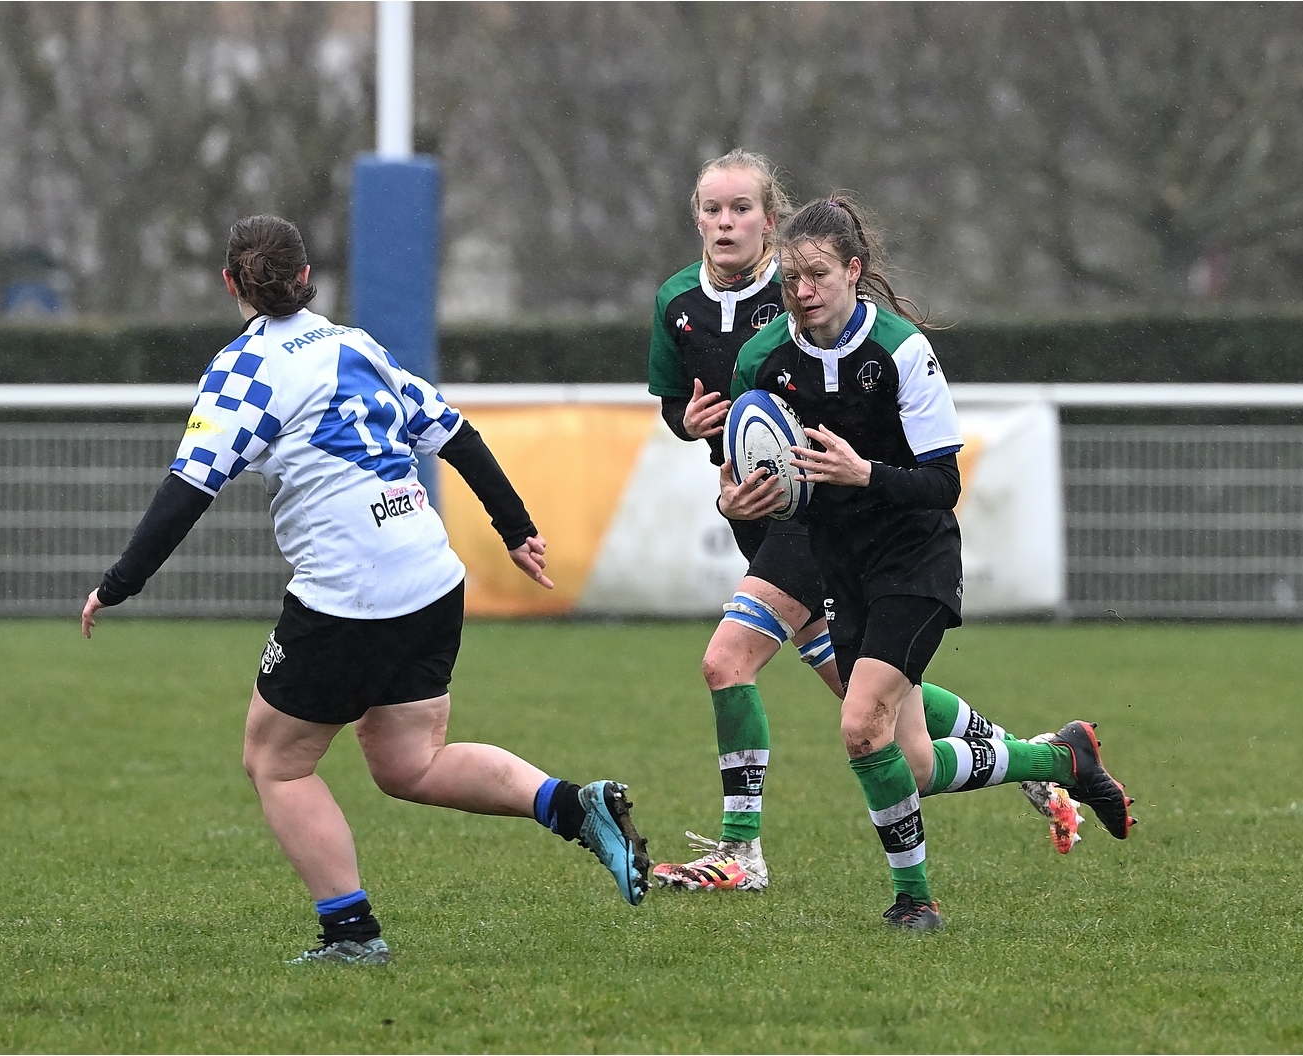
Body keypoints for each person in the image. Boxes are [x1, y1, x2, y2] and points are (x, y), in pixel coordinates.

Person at [81, 215, 651, 965]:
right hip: (430, 575)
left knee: (276, 763)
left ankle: (351, 935)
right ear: (306, 278)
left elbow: (190, 487)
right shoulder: (356, 345)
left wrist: (120, 583)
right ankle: (575, 807)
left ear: (229, 284)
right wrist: (515, 529)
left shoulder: (245, 368)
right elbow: (456, 434)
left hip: (351, 594)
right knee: (409, 762)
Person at [646, 153, 1084, 893]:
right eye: (712, 209)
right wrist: (697, 442)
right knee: (889, 723)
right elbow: (691, 418)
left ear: (771, 220)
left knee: (728, 661)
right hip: (769, 517)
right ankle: (1038, 758)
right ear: (695, 218)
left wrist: (858, 476)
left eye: (741, 208)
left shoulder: (799, 296)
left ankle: (741, 851)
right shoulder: (677, 301)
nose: (725, 223)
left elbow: (906, 452)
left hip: (820, 521)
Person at [726, 194, 1136, 930]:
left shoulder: (901, 351)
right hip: (838, 565)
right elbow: (753, 475)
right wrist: (737, 502)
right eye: (790, 278)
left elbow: (943, 483)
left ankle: (915, 901)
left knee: (860, 726)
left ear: (854, 270)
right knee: (911, 762)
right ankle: (1058, 759)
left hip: (914, 557)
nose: (803, 291)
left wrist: (864, 474)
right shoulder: (762, 360)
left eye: (818, 275)